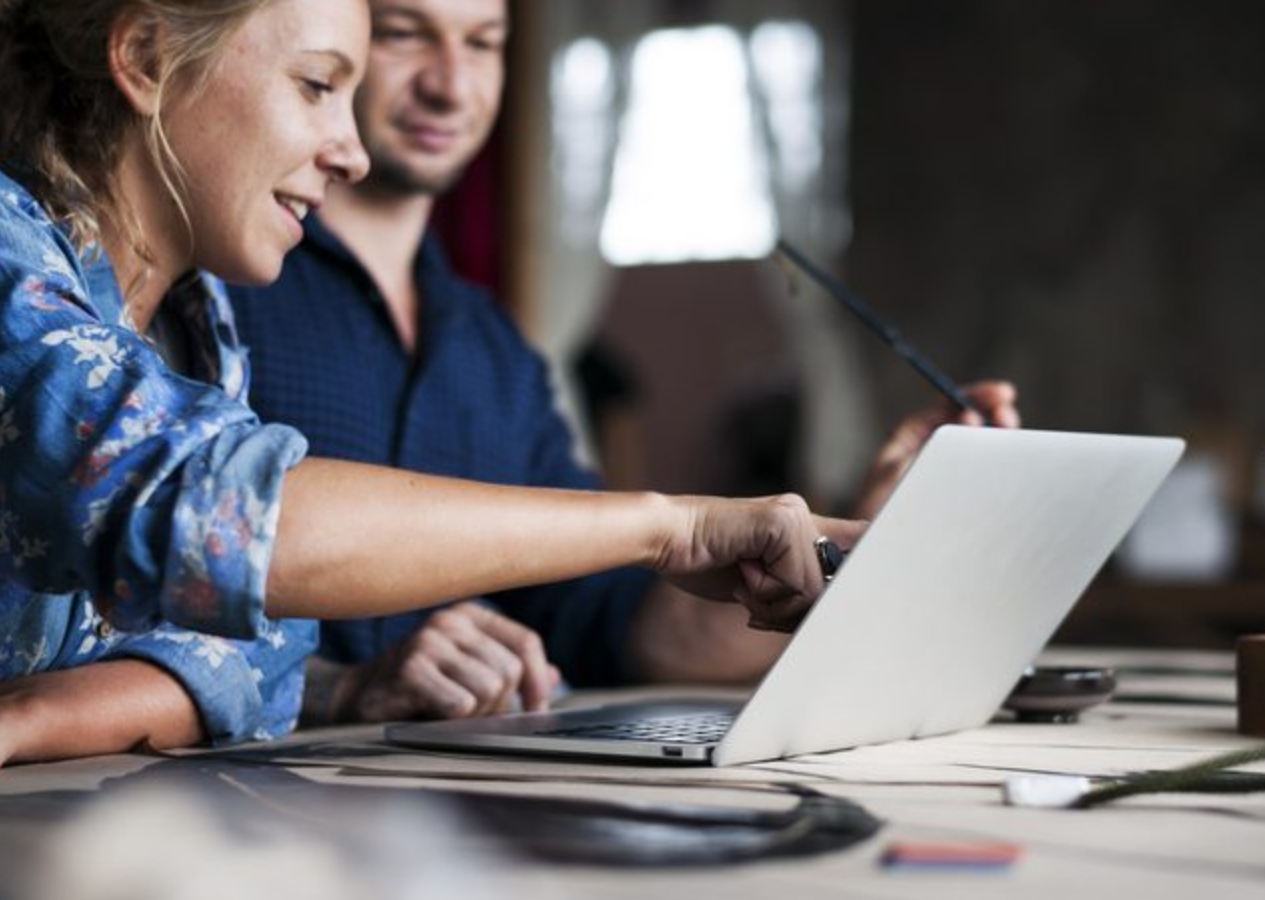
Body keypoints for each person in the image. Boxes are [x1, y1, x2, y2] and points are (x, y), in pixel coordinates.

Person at [0, 0, 864, 784]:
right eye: (317, 85)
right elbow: (223, 524)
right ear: (143, 60)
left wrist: (17, 719)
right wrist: (669, 525)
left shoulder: (202, 331)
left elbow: (256, 654)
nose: (351, 147)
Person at [227, 0, 1021, 725]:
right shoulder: (224, 288)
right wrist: (339, 685)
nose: (451, 84)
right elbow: (141, 576)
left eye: (483, 43)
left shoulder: (495, 348)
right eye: (406, 35)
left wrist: (864, 545)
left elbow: (614, 623)